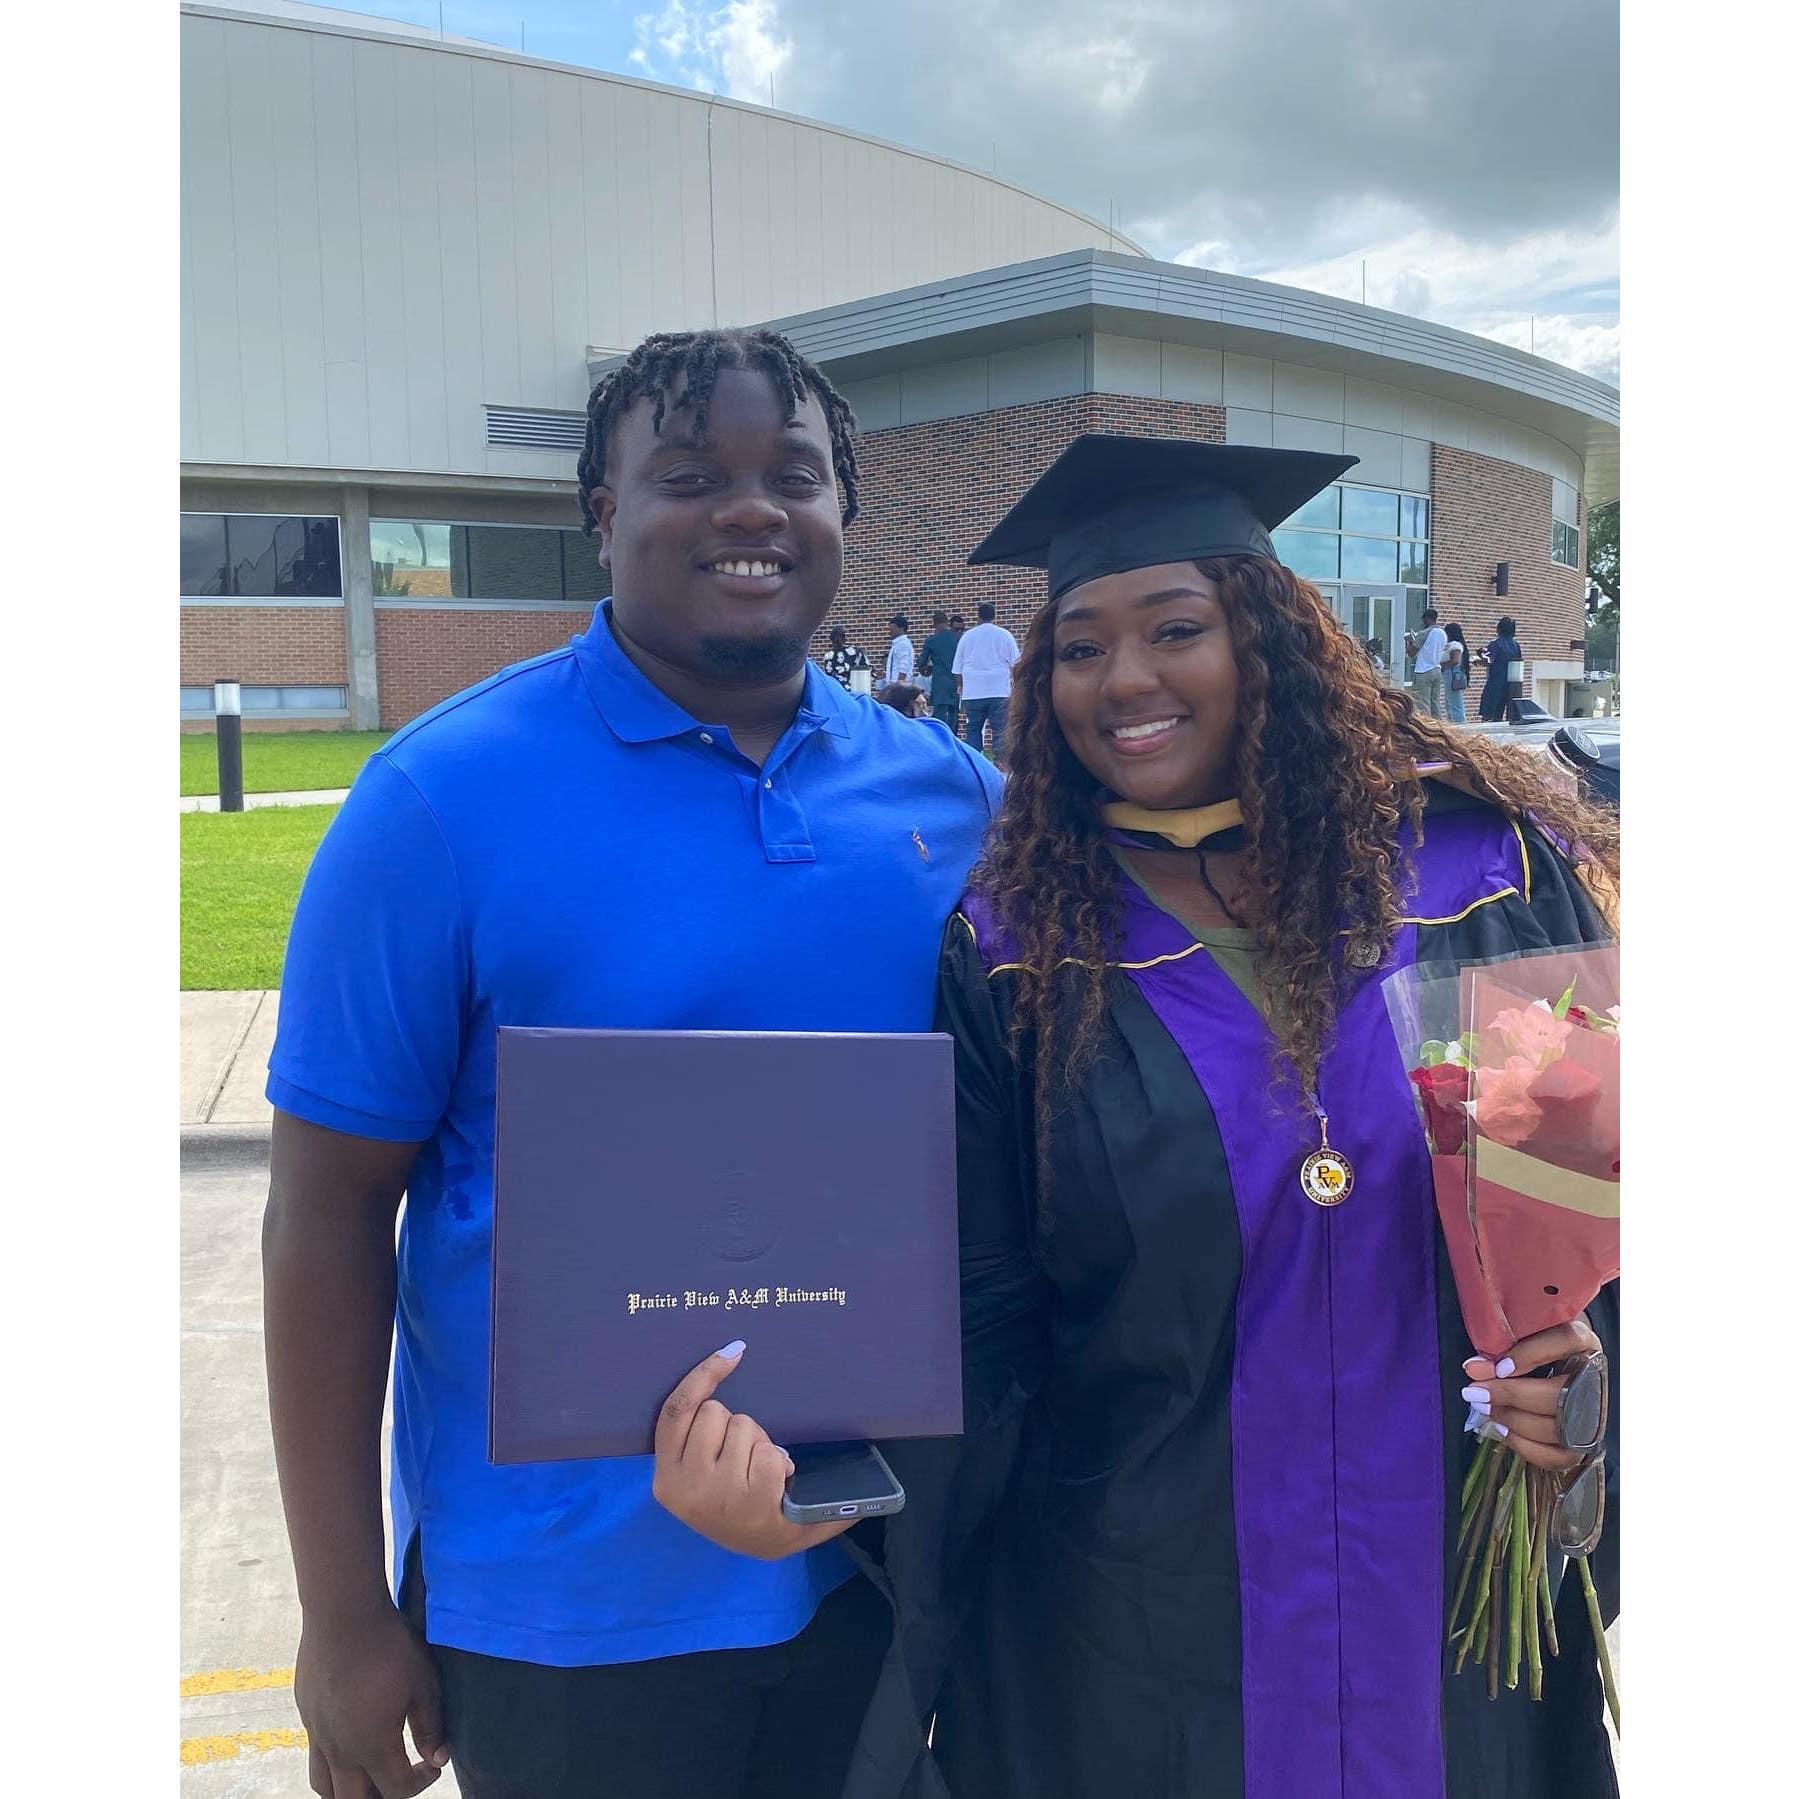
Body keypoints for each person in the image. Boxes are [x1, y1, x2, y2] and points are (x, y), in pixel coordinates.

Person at [261, 326, 1002, 1799]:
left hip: (875, 1573)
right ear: (604, 514)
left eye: (793, 474)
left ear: (842, 511)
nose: (750, 508)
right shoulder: (438, 801)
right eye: (689, 474)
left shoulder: (954, 799)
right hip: (564, 1608)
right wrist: (341, 1611)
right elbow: (328, 1214)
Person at [846, 436, 1622, 1795]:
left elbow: (1596, 1216)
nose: (1122, 678)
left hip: (1445, 1610)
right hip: (1138, 1633)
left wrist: (1587, 1398)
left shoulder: (1480, 874)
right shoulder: (1019, 949)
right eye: (1078, 647)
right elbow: (974, 1324)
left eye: (1173, 627)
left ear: (1267, 635)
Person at [952, 599, 1021, 763]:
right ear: (994, 616)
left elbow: (957, 669)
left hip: (973, 692)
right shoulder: (1004, 635)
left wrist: (961, 687)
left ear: (978, 616)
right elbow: (1016, 664)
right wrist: (1015, 685)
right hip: (999, 690)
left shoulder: (967, 637)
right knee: (1000, 729)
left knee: (973, 729)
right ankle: (1001, 764)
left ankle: (976, 763)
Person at [917, 609, 964, 733]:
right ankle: (953, 738)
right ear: (947, 622)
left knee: (939, 714)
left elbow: (921, 663)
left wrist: (926, 669)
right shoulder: (958, 638)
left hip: (940, 681)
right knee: (954, 713)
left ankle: (939, 738)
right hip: (956, 680)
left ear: (934, 623)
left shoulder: (931, 640)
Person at [1479, 614, 1526, 722]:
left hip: (1496, 682)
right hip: (1511, 684)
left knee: (1490, 715)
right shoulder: (1516, 645)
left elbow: (1489, 660)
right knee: (1507, 715)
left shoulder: (1496, 644)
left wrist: (1480, 655)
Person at [1410, 605, 1448, 717]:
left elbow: (1412, 653)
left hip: (1424, 670)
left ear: (1426, 618)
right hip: (1436, 669)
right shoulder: (1442, 633)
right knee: (1435, 701)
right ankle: (1438, 723)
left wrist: (1409, 642)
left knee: (1423, 702)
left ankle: (1427, 724)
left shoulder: (1423, 633)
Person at [821, 623, 869, 690]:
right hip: (840, 689)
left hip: (847, 689)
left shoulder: (856, 652)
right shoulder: (828, 656)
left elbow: (866, 670)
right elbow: (827, 675)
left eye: (838, 639)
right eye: (835, 639)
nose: (837, 641)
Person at [1444, 620, 1470, 723]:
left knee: (1454, 701)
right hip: (1453, 672)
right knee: (1450, 700)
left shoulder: (1455, 645)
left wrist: (1442, 665)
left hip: (1452, 672)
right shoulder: (1457, 644)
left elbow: (1455, 661)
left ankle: (1459, 722)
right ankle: (1453, 721)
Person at [885, 613, 915, 687]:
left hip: (899, 686)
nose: (890, 631)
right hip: (895, 685)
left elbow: (904, 667)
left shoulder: (902, 644)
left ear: (901, 629)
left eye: (893, 629)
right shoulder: (898, 644)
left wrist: (898, 686)